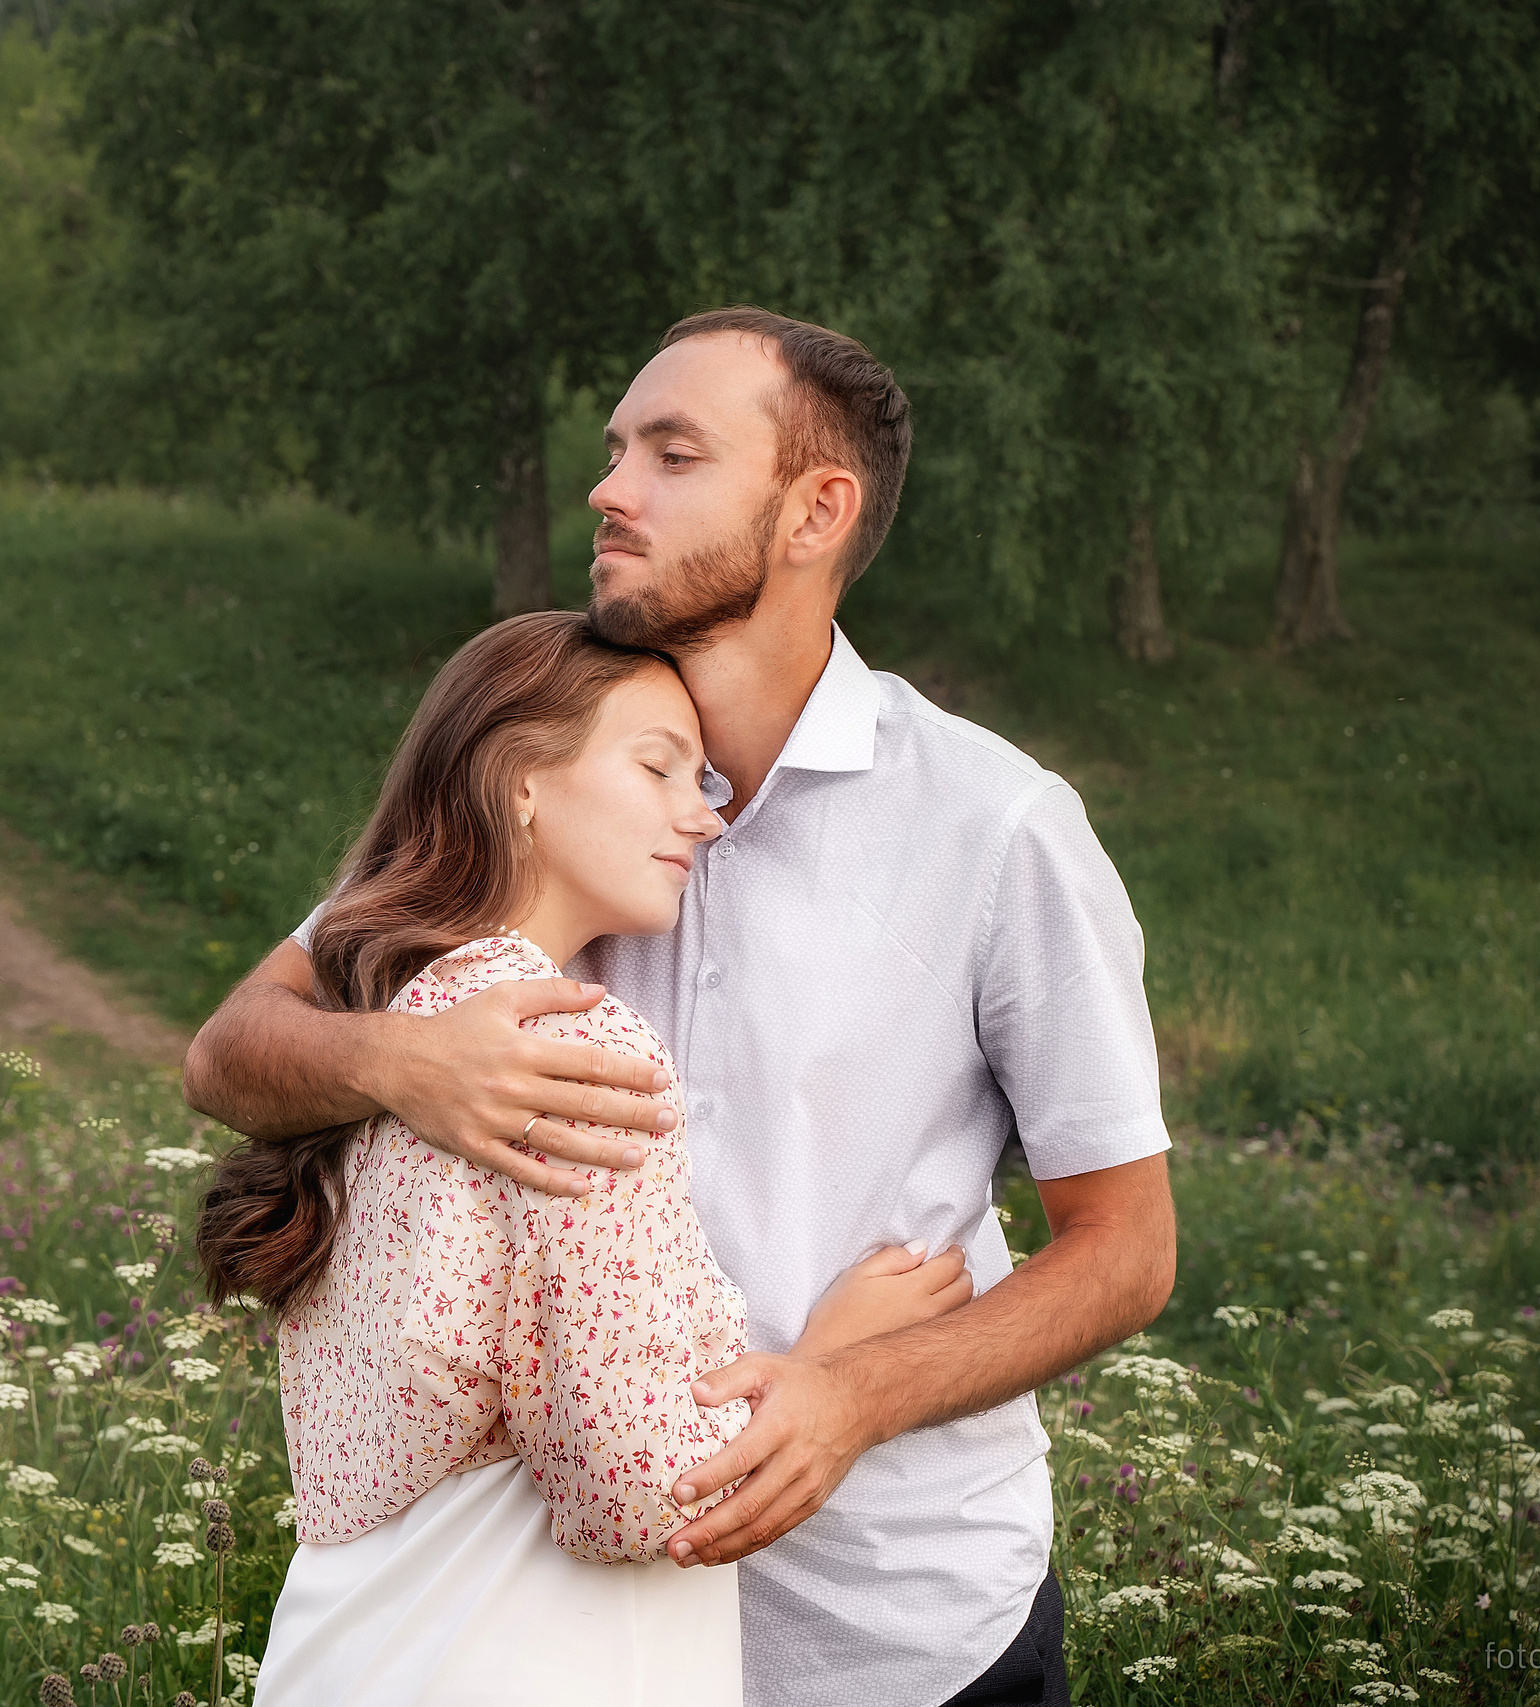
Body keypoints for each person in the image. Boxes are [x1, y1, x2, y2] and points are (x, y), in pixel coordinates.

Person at [185, 307, 1178, 1707]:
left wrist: (851, 1393)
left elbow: (1128, 1247)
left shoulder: (998, 825)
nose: (608, 486)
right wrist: (411, 1061)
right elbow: (233, 1048)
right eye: (613, 448)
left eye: (672, 452)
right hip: (570, 1630)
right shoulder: (556, 773)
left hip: (901, 1628)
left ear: (813, 510)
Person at [206, 611, 976, 1707]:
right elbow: (640, 1493)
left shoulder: (384, 1027)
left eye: (701, 780)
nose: (698, 818)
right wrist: (831, 1366)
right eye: (657, 767)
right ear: (519, 780)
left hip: (342, 1656)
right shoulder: (569, 1053)